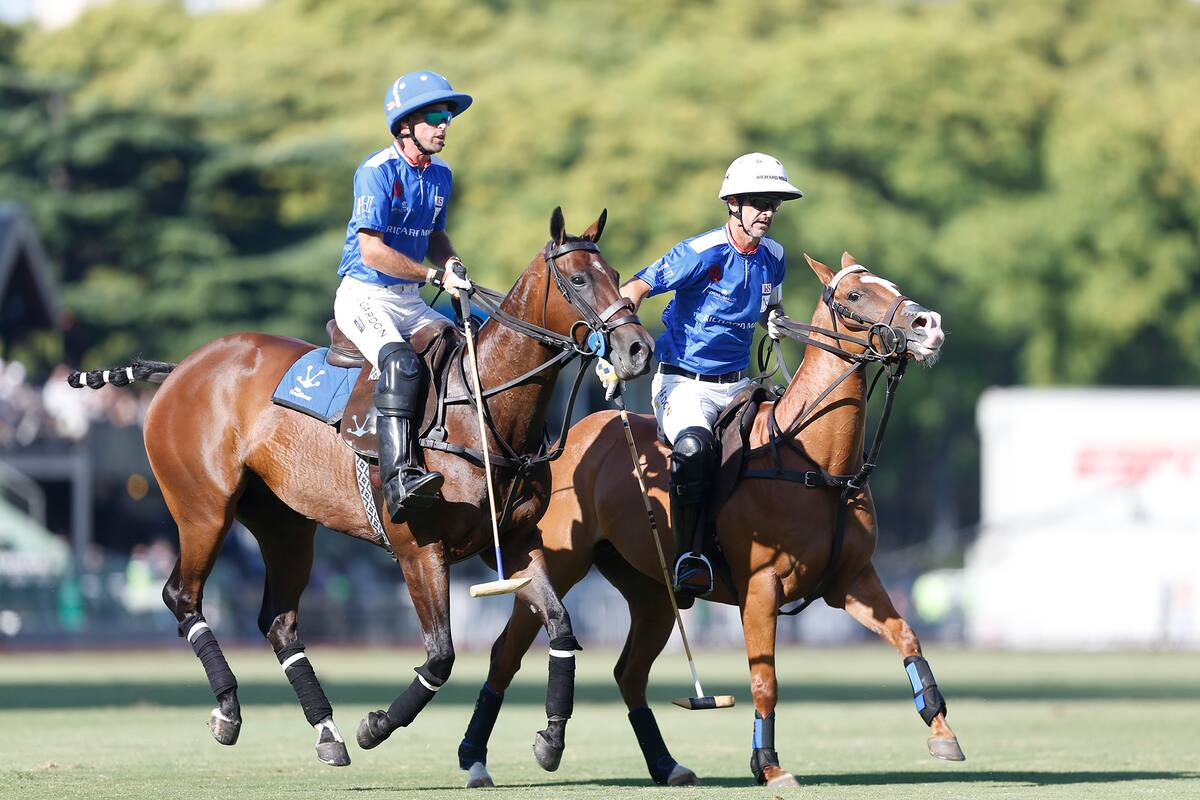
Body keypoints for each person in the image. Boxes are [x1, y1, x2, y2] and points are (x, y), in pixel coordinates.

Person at [615, 153, 803, 604]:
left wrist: (776, 320)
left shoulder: (774, 256)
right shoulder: (699, 252)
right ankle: (687, 558)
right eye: (758, 202)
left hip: (739, 386)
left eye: (774, 204)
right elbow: (634, 289)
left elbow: (769, 307)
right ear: (733, 203)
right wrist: (614, 346)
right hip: (685, 385)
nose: (767, 213)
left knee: (788, 442)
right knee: (695, 448)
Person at [333, 70, 475, 522]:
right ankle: (399, 480)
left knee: (462, 348)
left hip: (409, 298)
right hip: (365, 295)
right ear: (404, 126)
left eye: (448, 115)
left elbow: (435, 233)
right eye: (434, 115)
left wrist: (450, 262)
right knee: (400, 362)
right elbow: (372, 251)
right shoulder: (376, 172)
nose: (444, 124)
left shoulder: (441, 176)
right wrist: (435, 276)